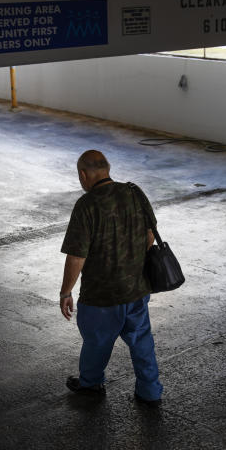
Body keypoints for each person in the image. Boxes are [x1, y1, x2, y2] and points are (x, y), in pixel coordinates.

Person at [59, 150, 164, 406]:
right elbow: (150, 236)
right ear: (107, 169)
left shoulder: (87, 205)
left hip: (101, 295)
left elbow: (76, 257)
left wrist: (66, 292)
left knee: (97, 342)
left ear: (83, 175)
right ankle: (150, 392)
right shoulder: (135, 193)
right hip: (137, 288)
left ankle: (91, 383)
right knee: (142, 341)